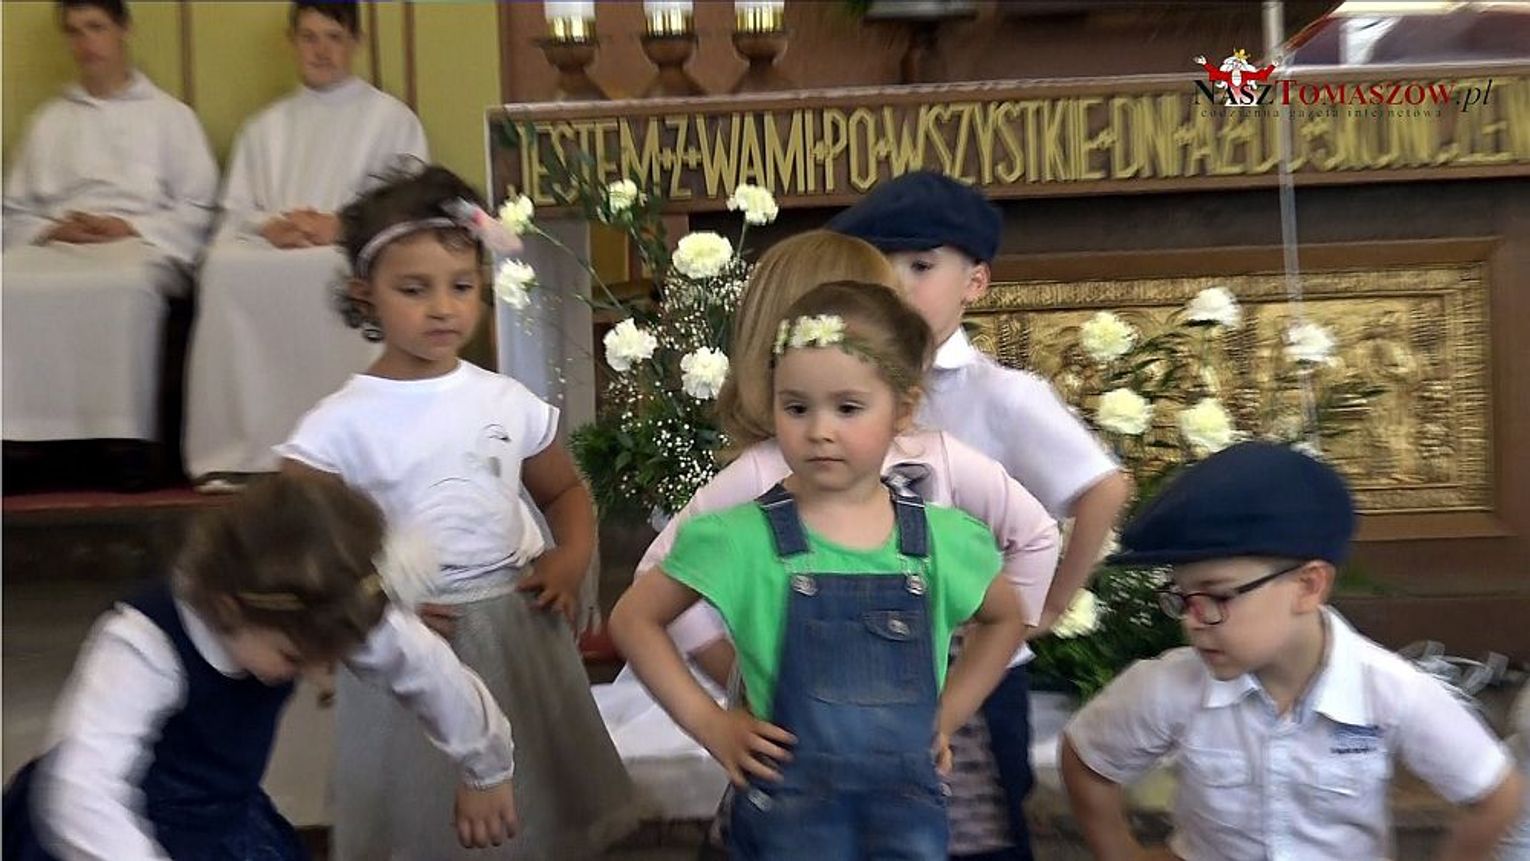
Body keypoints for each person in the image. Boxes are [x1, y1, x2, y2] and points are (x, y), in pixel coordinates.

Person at [276, 164, 643, 859]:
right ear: (365, 293)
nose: (442, 308)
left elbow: (565, 492)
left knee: (534, 795)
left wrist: (569, 558)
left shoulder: (504, 400)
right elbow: (294, 538)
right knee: (426, 810)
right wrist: (367, 603)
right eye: (414, 289)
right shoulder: (340, 424)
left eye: (462, 286)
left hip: (515, 623)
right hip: (411, 634)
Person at [612, 280, 1029, 859]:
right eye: (797, 407)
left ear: (902, 410)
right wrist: (711, 725)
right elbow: (634, 619)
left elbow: (1007, 618)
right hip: (786, 829)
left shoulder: (944, 541)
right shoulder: (738, 537)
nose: (819, 430)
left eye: (848, 408)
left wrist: (946, 715)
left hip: (905, 831)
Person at [829, 169, 1132, 860]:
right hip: (855, 663)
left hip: (976, 668)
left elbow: (1103, 487)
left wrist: (1045, 606)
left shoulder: (1003, 395)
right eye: (880, 265)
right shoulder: (840, 382)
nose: (896, 283)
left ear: (976, 282)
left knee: (982, 834)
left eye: (921, 266)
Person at [0, 471, 519, 860]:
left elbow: (421, 664)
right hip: (104, 834)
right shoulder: (142, 644)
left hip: (222, 823)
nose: (311, 673)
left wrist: (486, 765)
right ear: (228, 608)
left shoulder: (317, 607)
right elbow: (84, 787)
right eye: (293, 658)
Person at [1061, 441, 1524, 861]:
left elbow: (1495, 795)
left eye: (1217, 596)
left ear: (1308, 586)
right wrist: (1120, 851)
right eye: (1183, 598)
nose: (1192, 619)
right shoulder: (1169, 686)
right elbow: (1086, 758)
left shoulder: (1389, 689)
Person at [184, 0, 430, 493]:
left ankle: (354, 449)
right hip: (277, 249)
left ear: (355, 43)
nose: (321, 50)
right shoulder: (265, 126)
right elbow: (236, 212)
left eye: (334, 37)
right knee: (223, 268)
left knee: (341, 272)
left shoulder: (390, 119)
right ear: (292, 42)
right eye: (310, 37)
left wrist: (342, 224)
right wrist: (270, 227)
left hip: (348, 247)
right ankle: (243, 452)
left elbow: (408, 208)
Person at [2, 0, 218, 486]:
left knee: (125, 287)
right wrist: (51, 229)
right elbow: (13, 210)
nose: (86, 43)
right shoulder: (49, 121)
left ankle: (124, 442)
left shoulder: (170, 117)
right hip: (59, 241)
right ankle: (19, 441)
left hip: (140, 242)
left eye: (96, 27)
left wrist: (131, 227)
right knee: (7, 284)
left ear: (124, 30)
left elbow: (198, 206)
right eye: (74, 31)